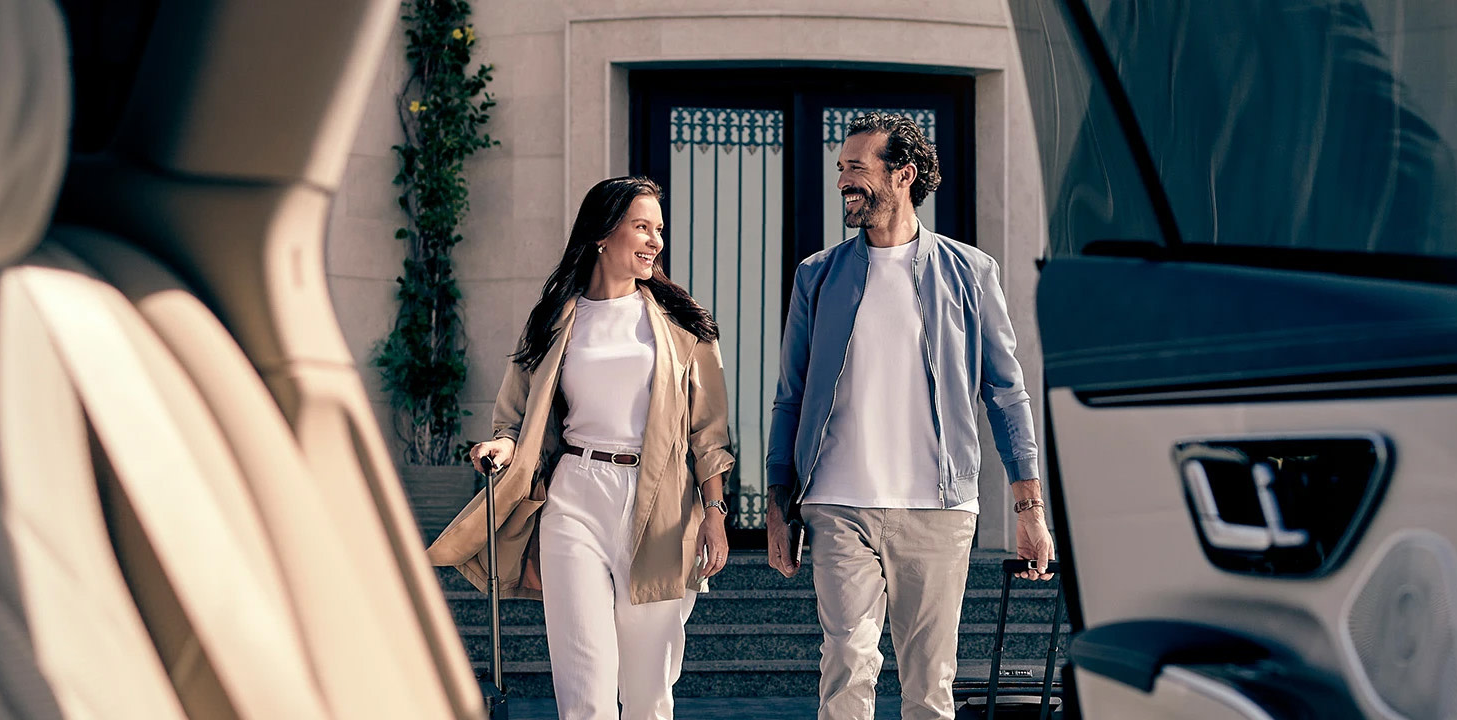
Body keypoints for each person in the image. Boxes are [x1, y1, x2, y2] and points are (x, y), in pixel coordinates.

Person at [763, 112, 1055, 720]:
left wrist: (1030, 510)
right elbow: (790, 396)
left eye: (856, 168)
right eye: (840, 168)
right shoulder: (818, 276)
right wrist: (776, 502)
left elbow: (1006, 394)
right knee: (848, 663)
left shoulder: (971, 273)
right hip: (839, 503)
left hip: (939, 508)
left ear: (904, 175)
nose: (843, 180)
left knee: (929, 684)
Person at [427, 177, 735, 720]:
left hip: (661, 508)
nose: (655, 241)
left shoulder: (683, 325)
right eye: (642, 226)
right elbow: (515, 415)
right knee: (584, 689)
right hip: (574, 498)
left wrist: (714, 511)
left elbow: (708, 432)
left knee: (647, 694)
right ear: (601, 234)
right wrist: (500, 447)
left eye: (659, 230)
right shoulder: (553, 318)